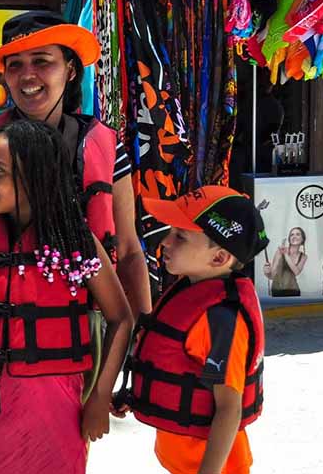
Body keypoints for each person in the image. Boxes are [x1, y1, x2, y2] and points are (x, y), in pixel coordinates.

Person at [0, 10, 150, 385]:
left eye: (42, 62)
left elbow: (130, 249)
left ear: (69, 70)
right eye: (15, 64)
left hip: (79, 340)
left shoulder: (105, 147)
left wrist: (143, 343)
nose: (27, 75)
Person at [0, 119, 133, 473]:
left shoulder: (75, 242)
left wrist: (99, 396)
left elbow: (120, 317)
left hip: (60, 406)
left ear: (36, 176)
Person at [115, 186, 268, 474]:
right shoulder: (193, 290)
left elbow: (229, 409)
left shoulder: (221, 319)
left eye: (180, 237)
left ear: (220, 258)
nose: (165, 243)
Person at [263, 226, 306, 297]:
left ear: (302, 239)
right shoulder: (279, 251)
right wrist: (267, 272)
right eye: (292, 234)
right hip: (277, 290)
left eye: (298, 234)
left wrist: (285, 254)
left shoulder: (303, 256)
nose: (294, 236)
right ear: (289, 238)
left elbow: (296, 272)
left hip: (294, 291)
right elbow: (272, 275)